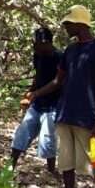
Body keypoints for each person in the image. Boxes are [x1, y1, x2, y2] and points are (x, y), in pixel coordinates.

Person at [27, 5, 95, 188]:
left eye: (68, 24)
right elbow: (58, 81)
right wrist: (35, 94)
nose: (66, 28)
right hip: (64, 115)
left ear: (80, 23)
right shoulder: (70, 50)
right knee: (66, 164)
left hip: (86, 117)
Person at [11, 28, 62, 173]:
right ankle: (10, 166)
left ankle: (51, 171)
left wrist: (36, 93)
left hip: (53, 105)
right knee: (22, 132)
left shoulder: (59, 57)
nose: (35, 46)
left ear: (45, 42)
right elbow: (38, 75)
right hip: (38, 103)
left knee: (47, 138)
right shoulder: (38, 55)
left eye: (37, 43)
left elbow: (58, 82)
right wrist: (30, 91)